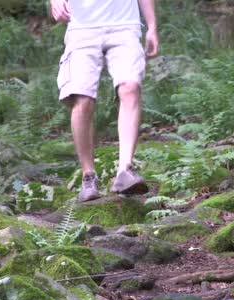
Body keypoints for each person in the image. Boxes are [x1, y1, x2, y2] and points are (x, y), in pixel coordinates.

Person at [50, 0, 158, 201]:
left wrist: (152, 26)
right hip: (82, 27)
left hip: (125, 25)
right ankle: (88, 176)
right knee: (82, 98)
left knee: (131, 87)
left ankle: (125, 170)